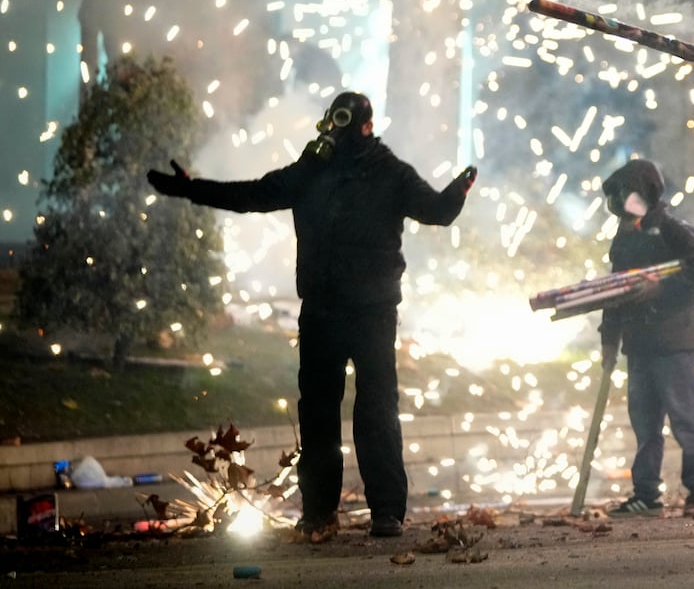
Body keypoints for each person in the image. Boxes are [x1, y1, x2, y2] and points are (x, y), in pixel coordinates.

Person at [146, 91, 476, 539]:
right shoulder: (313, 169)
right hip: (324, 308)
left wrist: (457, 192)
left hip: (372, 311)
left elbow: (436, 212)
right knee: (320, 414)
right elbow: (254, 195)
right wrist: (190, 189)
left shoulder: (386, 171)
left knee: (375, 410)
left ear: (365, 126)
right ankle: (321, 514)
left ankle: (384, 513)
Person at [597, 157, 694, 518]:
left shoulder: (671, 229)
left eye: (625, 192)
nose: (620, 201)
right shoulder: (624, 239)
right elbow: (615, 293)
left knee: (684, 420)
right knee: (645, 425)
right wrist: (610, 340)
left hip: (673, 343)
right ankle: (646, 493)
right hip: (639, 346)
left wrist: (662, 288)